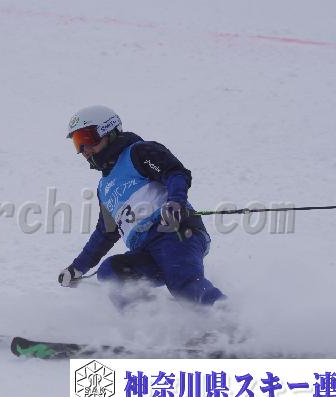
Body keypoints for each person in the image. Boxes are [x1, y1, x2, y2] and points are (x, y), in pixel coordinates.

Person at [57, 105, 224, 308]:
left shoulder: (138, 152)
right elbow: (105, 232)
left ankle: (228, 317)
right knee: (111, 273)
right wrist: (77, 268)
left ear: (108, 131)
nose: (84, 149)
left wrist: (176, 201)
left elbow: (175, 173)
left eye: (87, 138)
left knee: (183, 284)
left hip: (174, 232)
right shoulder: (104, 187)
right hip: (146, 251)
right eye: (78, 143)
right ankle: (151, 321)